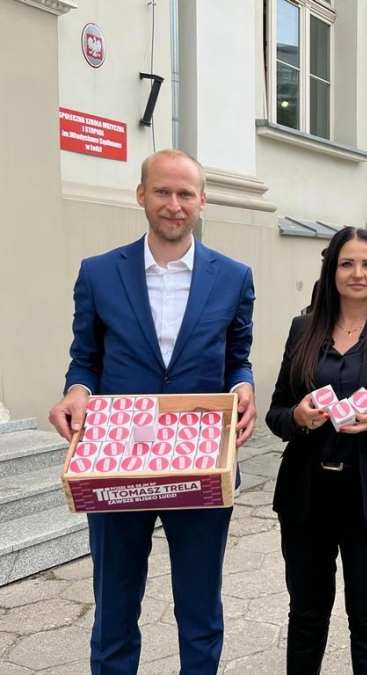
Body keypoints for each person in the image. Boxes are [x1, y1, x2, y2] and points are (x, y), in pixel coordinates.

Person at [48, 149, 257, 675]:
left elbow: (238, 356)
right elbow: (85, 358)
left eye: (185, 193)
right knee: (114, 611)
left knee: (200, 610)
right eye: (162, 191)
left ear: (202, 200)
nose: (173, 204)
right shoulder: (98, 273)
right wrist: (76, 390)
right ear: (141, 195)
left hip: (200, 460)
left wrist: (243, 387)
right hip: (117, 463)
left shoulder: (234, 277)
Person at [266, 227, 367, 674]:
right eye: (347, 263)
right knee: (306, 613)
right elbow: (276, 412)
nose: (357, 273)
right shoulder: (303, 329)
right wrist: (297, 416)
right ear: (331, 271)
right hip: (306, 495)